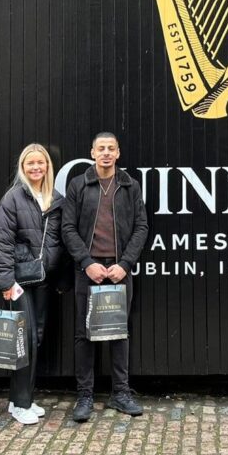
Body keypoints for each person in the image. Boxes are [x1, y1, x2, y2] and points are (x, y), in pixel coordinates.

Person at [62, 133, 148, 423]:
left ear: (118, 153)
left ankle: (120, 393)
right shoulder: (79, 185)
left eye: (111, 148)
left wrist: (125, 263)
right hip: (88, 272)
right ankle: (85, 395)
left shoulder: (129, 185)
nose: (106, 153)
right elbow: (68, 229)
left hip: (119, 271)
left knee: (119, 332)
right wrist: (87, 263)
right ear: (92, 152)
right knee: (84, 334)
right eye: (101, 148)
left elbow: (141, 227)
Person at [0, 144, 64, 425]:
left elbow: (58, 240)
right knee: (24, 340)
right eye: (30, 164)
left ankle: (18, 400)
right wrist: (6, 282)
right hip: (19, 280)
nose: (36, 168)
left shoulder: (55, 198)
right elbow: (1, 242)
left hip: (43, 279)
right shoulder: (13, 198)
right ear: (22, 167)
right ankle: (22, 403)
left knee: (37, 338)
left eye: (40, 163)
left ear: (47, 166)